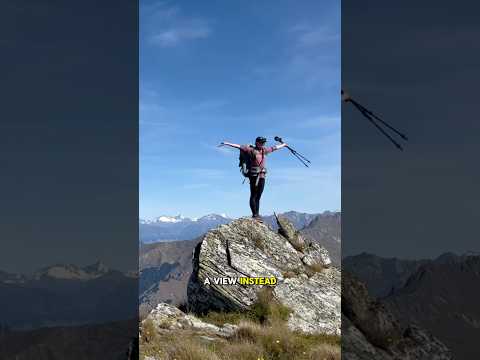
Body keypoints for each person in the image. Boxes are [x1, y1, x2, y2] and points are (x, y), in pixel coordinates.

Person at [221, 137, 288, 220]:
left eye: (264, 143)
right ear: (257, 142)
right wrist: (227, 143)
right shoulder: (250, 150)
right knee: (253, 195)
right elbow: (238, 146)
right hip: (253, 175)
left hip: (262, 175)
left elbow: (274, 148)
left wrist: (283, 145)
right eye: (261, 142)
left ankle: (257, 214)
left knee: (258, 196)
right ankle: (255, 215)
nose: (263, 144)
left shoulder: (264, 150)